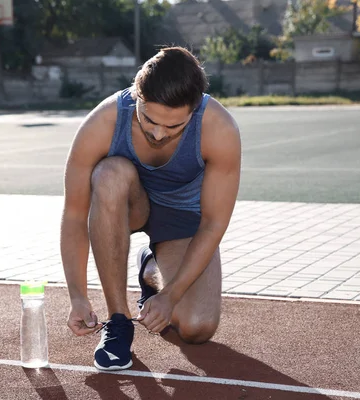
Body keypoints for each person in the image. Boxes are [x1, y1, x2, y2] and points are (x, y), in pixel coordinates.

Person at [60, 46, 241, 371]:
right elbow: (74, 215)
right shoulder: (104, 121)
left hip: (182, 218)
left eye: (174, 127)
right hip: (128, 205)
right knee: (109, 173)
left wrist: (170, 295)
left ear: (195, 107)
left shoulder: (219, 128)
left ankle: (150, 268)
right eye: (149, 120)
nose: (158, 134)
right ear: (137, 96)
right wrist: (77, 295)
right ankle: (118, 322)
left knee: (197, 326)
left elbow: (213, 223)